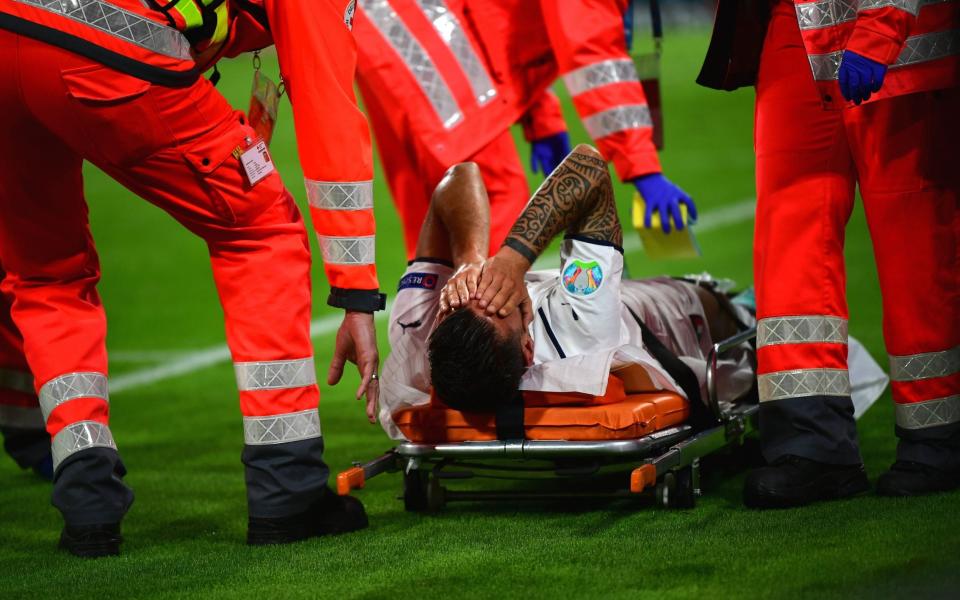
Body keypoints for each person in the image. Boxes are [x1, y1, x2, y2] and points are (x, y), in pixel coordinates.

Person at [0, 0, 383, 556]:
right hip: (104, 39)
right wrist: (355, 292)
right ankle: (288, 486)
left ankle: (86, 496)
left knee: (45, 273)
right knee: (260, 229)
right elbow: (329, 114)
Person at [698, 0, 960, 507]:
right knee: (789, 242)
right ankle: (811, 444)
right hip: (793, 28)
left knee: (917, 244)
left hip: (899, 37)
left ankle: (939, 434)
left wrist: (882, 29)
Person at [378, 145, 753, 437]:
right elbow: (588, 168)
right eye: (497, 303)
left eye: (460, 301)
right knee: (746, 307)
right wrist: (511, 262)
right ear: (528, 348)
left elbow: (461, 175)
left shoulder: (418, 328)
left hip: (628, 304)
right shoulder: (577, 330)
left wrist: (469, 260)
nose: (482, 285)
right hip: (686, 318)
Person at [352, 0, 695, 261]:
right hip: (427, 31)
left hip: (387, 26)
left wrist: (542, 118)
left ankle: (429, 347)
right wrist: (643, 169)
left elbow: (505, 19)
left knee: (436, 233)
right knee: (486, 207)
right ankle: (489, 350)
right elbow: (591, 49)